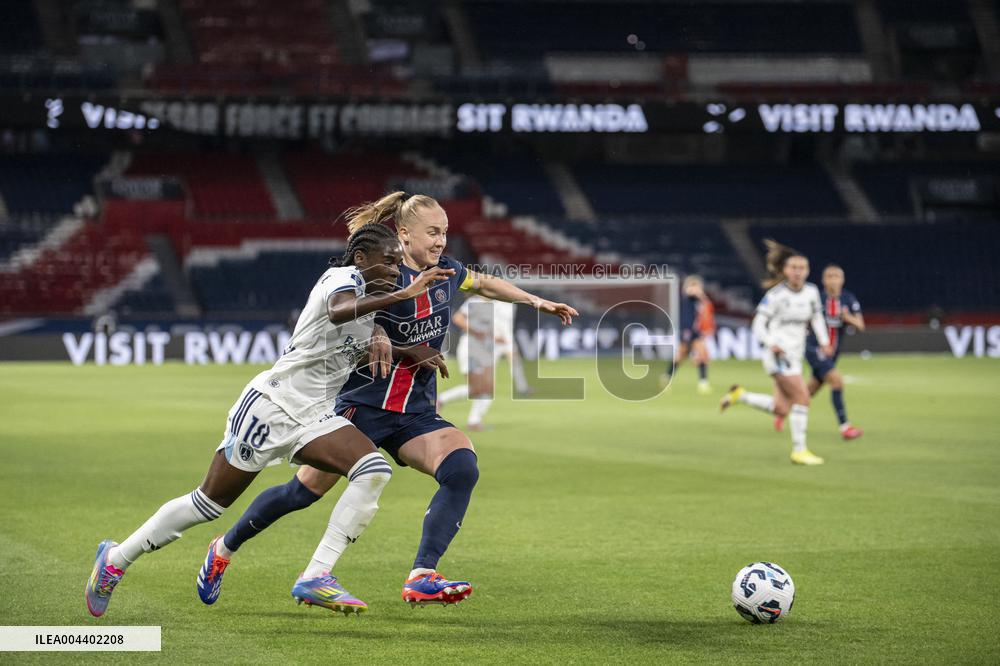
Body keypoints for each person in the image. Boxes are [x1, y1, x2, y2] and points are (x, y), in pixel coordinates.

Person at [206, 192, 578, 608]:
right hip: (359, 406)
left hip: (414, 411)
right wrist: (379, 334)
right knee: (303, 492)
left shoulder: (447, 270)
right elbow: (345, 316)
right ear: (403, 234)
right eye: (432, 232)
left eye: (445, 232)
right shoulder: (379, 273)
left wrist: (533, 299)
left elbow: (483, 281)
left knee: (461, 466)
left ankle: (422, 574)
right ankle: (223, 550)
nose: (440, 240)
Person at [86, 223, 452, 617]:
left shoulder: (370, 311)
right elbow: (337, 310)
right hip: (271, 405)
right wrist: (402, 295)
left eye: (400, 265)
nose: (397, 271)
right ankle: (116, 560)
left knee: (374, 469)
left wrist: (404, 350)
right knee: (208, 504)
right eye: (389, 262)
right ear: (362, 259)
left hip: (314, 415)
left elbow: (346, 351)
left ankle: (317, 574)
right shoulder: (340, 278)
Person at [719, 240, 832, 466]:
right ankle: (799, 451)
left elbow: (817, 317)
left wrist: (824, 341)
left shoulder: (811, 292)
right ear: (784, 271)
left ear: (808, 270)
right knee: (802, 397)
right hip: (778, 356)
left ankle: (740, 395)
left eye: (803, 268)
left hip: (795, 356)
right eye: (794, 268)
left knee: (781, 408)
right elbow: (758, 324)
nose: (798, 272)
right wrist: (772, 343)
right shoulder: (776, 295)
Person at [438, 296, 529, 430]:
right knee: (479, 388)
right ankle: (441, 400)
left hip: (483, 350)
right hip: (471, 348)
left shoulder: (498, 304)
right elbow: (458, 318)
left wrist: (495, 338)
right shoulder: (475, 301)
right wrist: (477, 331)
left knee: (485, 389)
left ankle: (473, 421)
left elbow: (489, 330)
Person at [802, 264, 864, 439]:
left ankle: (781, 411)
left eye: (837, 276)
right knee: (837, 381)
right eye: (829, 276)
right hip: (814, 349)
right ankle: (845, 427)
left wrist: (847, 317)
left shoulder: (848, 299)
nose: (833, 280)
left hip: (833, 353)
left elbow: (861, 326)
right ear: (823, 280)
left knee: (808, 392)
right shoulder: (817, 299)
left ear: (842, 280)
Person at [663, 275, 715, 393]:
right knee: (680, 357)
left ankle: (703, 383)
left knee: (703, 355)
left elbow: (708, 308)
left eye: (697, 286)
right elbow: (686, 316)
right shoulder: (686, 299)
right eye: (693, 286)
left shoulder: (700, 301)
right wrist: (686, 331)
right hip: (687, 331)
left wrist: (701, 295)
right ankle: (666, 378)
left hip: (697, 332)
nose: (696, 289)